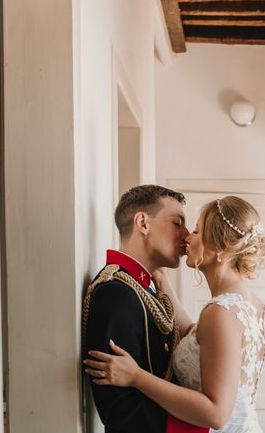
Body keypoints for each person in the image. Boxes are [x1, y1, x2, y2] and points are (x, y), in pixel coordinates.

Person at [84, 196, 265, 433]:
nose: (187, 237)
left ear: (222, 247)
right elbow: (198, 337)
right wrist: (163, 283)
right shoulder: (256, 308)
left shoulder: (221, 313)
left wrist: (136, 377)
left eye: (195, 230)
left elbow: (216, 414)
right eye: (181, 225)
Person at [82, 184, 206, 433]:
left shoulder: (146, 287)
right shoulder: (115, 292)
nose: (186, 236)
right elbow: (120, 410)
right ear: (143, 223)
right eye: (177, 222)